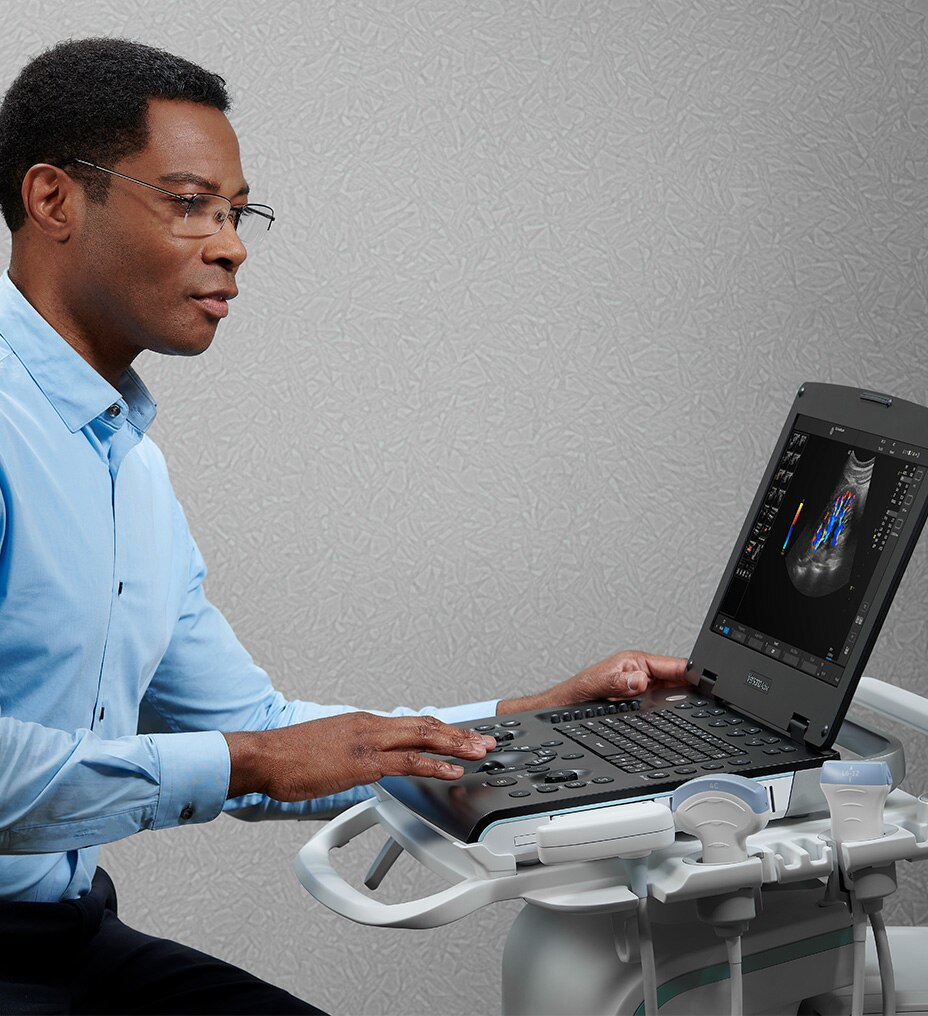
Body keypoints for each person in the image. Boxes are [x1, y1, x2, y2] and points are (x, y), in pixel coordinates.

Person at [0, 37, 687, 1015]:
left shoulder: (129, 466)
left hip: (62, 935)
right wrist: (252, 763)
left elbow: (260, 729)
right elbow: (257, 755)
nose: (231, 245)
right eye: (190, 203)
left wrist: (533, 721)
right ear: (54, 199)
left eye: (238, 213)